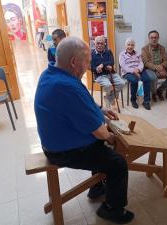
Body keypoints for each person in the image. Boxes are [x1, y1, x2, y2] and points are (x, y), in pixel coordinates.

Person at [34, 37, 134, 224]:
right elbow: (100, 132)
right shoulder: (67, 86)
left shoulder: (52, 74)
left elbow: (83, 100)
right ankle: (112, 209)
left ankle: (96, 187)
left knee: (100, 145)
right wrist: (113, 138)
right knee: (117, 162)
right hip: (61, 152)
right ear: (73, 62)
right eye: (87, 61)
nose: (89, 65)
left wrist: (101, 109)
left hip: (54, 142)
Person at [141, 30, 167, 102]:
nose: (154, 39)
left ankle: (160, 90)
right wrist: (157, 68)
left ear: (158, 38)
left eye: (155, 37)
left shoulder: (162, 48)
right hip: (150, 69)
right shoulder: (144, 49)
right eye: (152, 37)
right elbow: (146, 63)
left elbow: (166, 60)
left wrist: (162, 67)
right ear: (149, 38)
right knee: (153, 78)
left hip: (162, 67)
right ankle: (153, 93)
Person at [91, 36, 125, 108]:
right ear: (95, 44)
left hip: (111, 73)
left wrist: (102, 65)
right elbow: (91, 66)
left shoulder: (109, 51)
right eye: (98, 43)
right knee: (108, 85)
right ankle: (113, 96)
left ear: (105, 44)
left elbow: (112, 62)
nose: (100, 45)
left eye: (102, 43)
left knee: (122, 83)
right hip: (100, 75)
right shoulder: (91, 54)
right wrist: (96, 69)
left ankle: (109, 98)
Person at [119, 38, 151, 110]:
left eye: (132, 45)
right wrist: (134, 71)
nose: (130, 47)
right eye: (128, 45)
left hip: (139, 70)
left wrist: (138, 70)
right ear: (125, 45)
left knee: (147, 79)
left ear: (134, 46)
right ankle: (133, 100)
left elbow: (141, 63)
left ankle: (146, 101)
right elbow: (123, 66)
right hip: (127, 72)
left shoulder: (137, 53)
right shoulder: (122, 54)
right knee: (134, 81)